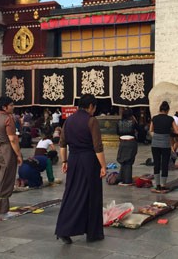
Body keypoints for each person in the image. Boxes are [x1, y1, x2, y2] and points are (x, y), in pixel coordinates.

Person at [55, 94, 107, 244]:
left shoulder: (68, 120)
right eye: (94, 107)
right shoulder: (91, 121)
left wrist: (64, 160)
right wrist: (103, 166)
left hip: (73, 160)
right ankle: (93, 233)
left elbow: (62, 144)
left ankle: (64, 228)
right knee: (92, 196)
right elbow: (98, 146)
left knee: (72, 193)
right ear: (91, 106)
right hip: (89, 161)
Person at [0, 97, 23, 221]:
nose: (13, 107)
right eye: (11, 105)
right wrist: (18, 155)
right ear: (4, 107)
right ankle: (3, 211)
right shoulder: (8, 119)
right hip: (6, 150)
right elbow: (12, 139)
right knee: (6, 179)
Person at [149, 101, 178, 192]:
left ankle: (157, 184)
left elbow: (151, 129)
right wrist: (169, 129)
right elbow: (177, 131)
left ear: (160, 109)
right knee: (165, 163)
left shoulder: (154, 118)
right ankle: (163, 184)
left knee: (156, 163)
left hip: (155, 143)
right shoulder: (170, 119)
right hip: (165, 144)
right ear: (167, 110)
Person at [116, 109, 139, 186]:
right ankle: (127, 180)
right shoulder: (132, 122)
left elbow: (118, 132)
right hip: (131, 141)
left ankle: (120, 177)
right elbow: (139, 129)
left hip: (122, 142)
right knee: (129, 161)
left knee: (123, 161)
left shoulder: (119, 122)